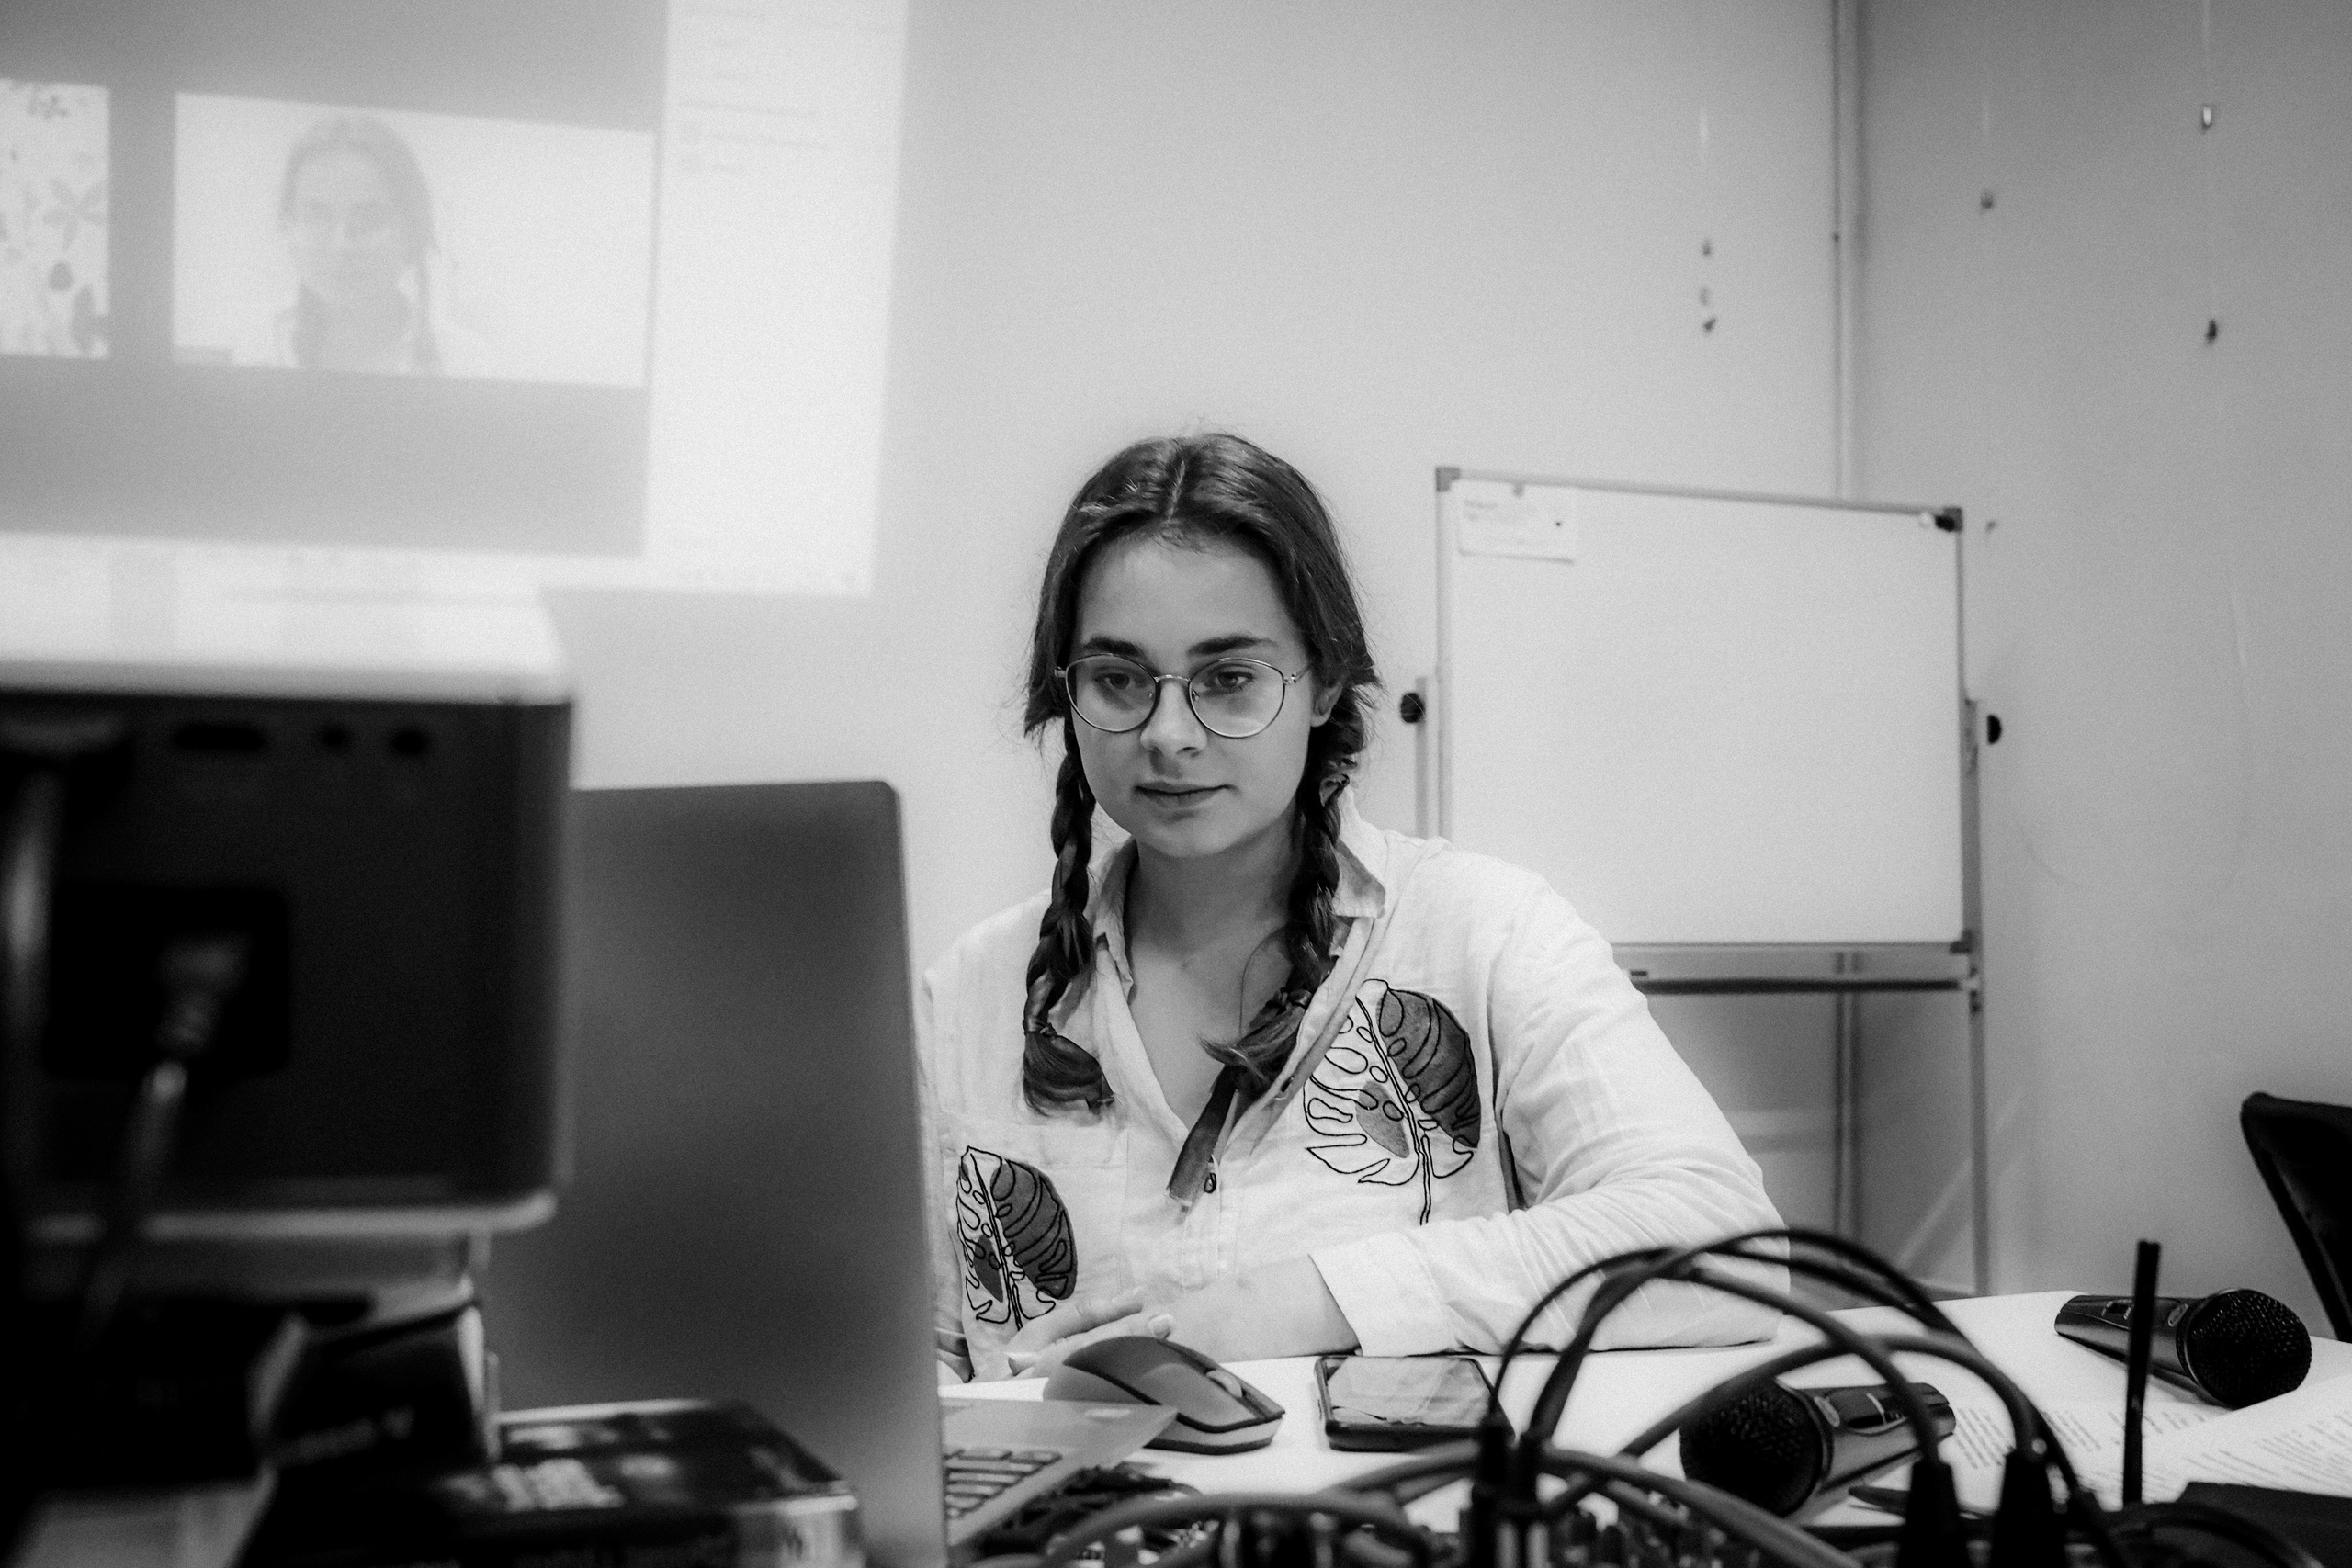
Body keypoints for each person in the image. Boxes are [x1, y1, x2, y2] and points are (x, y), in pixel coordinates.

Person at [921, 434, 1783, 1382]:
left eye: (1230, 678)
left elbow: (1722, 1249)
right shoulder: (970, 994)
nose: (1168, 735)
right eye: (1118, 680)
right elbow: (903, 1368)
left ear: (1325, 682)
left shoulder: (1486, 934)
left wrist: (1280, 1305)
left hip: (1404, 1527)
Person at [234, 115, 489, 377]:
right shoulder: (256, 350)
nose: (340, 246)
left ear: (412, 231)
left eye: (368, 219)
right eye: (316, 217)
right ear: (288, 226)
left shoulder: (465, 363)